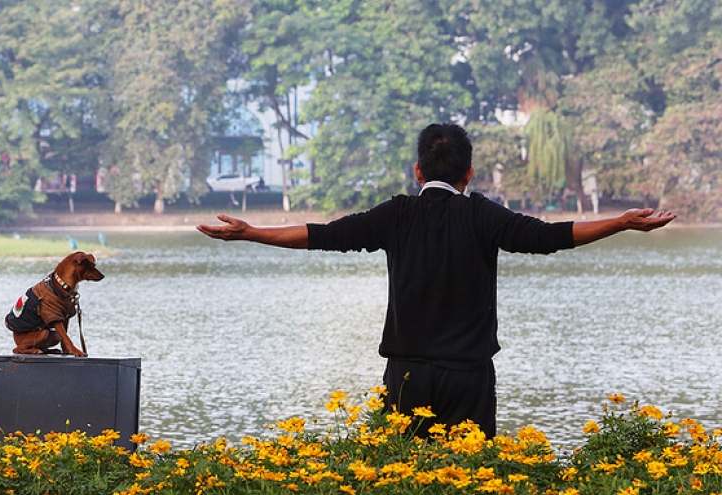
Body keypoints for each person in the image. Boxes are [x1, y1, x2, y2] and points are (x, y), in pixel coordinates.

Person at [196, 123, 676, 437]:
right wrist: (620, 222)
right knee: (468, 482)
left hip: (406, 378)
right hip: (468, 378)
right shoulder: (483, 216)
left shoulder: (396, 214)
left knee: (401, 479)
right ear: (468, 173)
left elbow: (322, 235)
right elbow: (552, 237)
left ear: (418, 170)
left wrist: (253, 232)